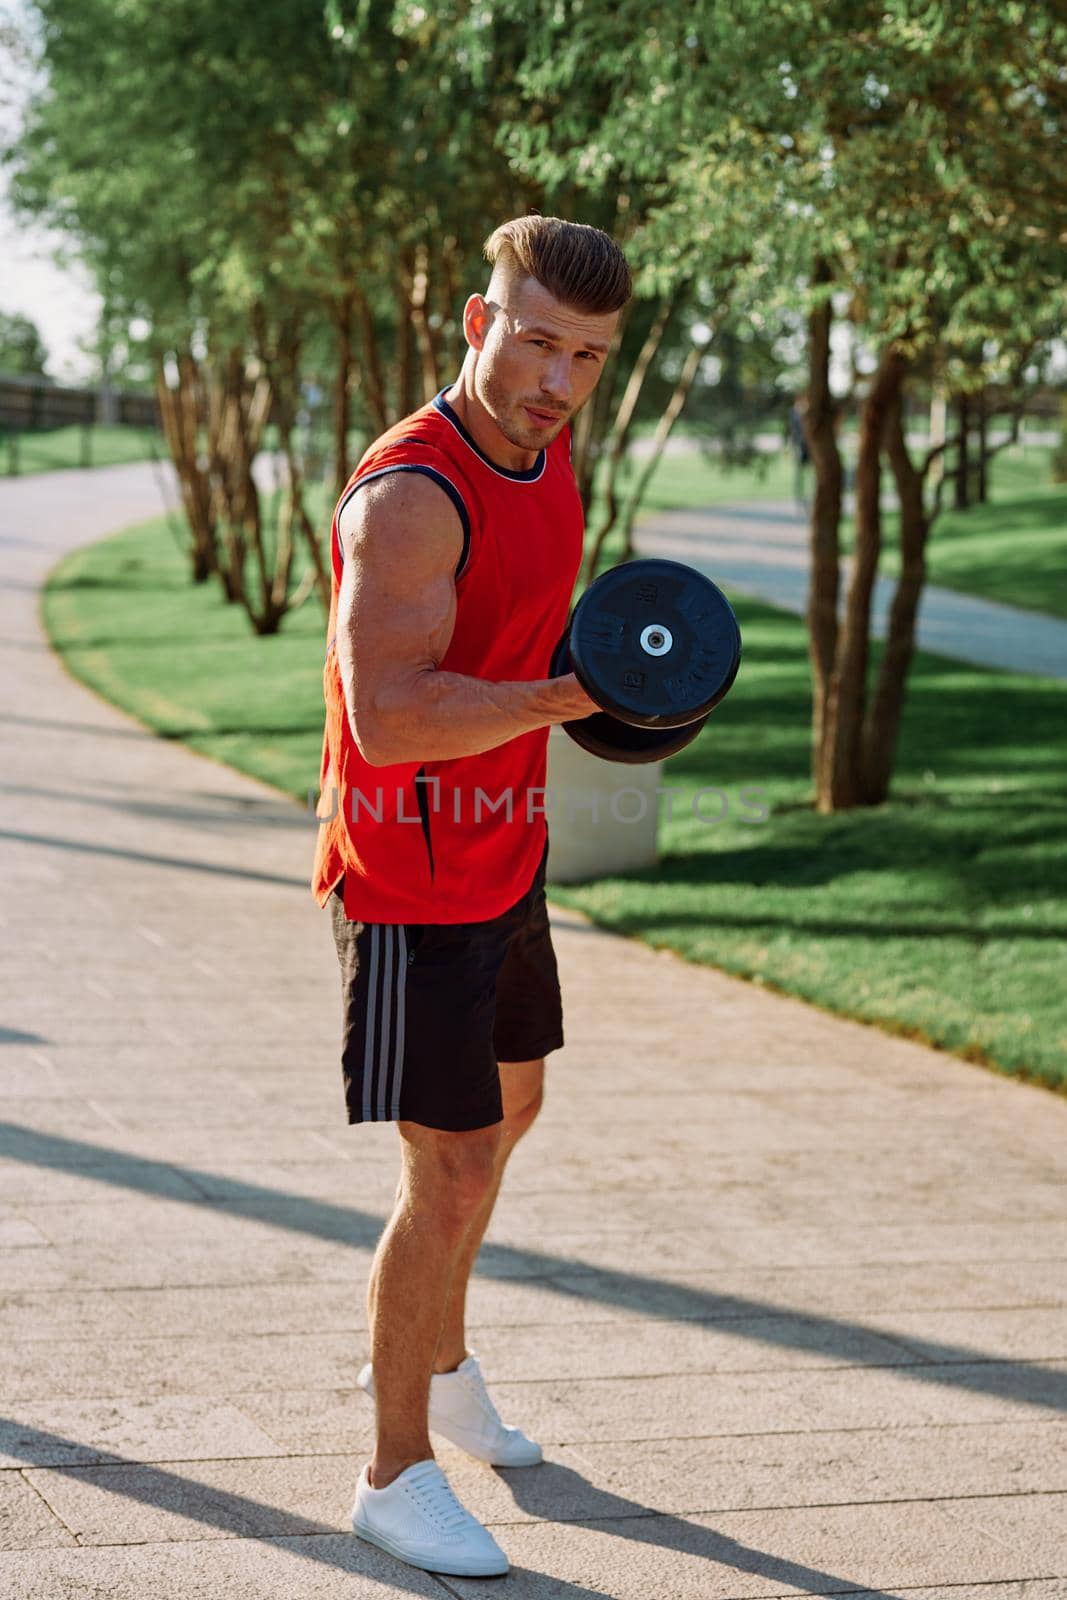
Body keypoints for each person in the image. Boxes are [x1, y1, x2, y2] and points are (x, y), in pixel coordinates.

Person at [310, 215, 632, 1578]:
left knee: (506, 1118)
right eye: (537, 341)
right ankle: (394, 1474)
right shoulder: (409, 497)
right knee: (443, 1174)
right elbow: (386, 719)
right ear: (472, 319)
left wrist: (625, 688)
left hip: (501, 853)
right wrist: (573, 696)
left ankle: (443, 1367)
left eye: (589, 357)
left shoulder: (546, 457)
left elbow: (523, 637)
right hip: (404, 879)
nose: (558, 381)